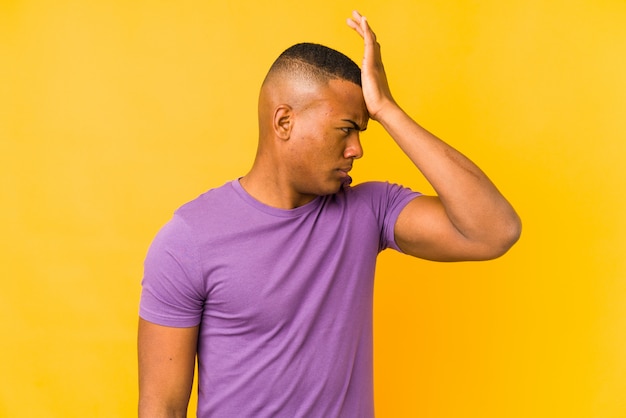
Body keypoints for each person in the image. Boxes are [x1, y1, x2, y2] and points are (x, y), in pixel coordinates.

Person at [138, 10, 521, 418]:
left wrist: (387, 109)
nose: (357, 148)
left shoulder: (369, 210)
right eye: (346, 129)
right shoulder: (189, 240)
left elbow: (494, 231)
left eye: (363, 130)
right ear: (285, 121)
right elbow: (161, 407)